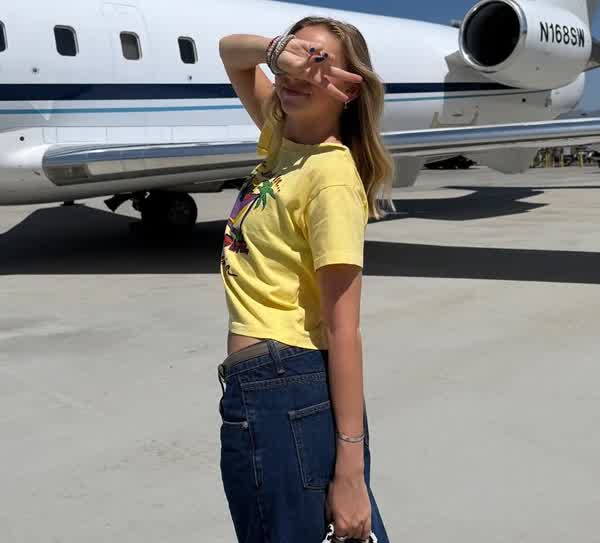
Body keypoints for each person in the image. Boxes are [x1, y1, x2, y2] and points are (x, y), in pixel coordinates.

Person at [217, 15, 395, 543]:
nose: (297, 71)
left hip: (284, 389)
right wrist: (277, 50)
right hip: (266, 387)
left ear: (348, 89)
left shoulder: (330, 178)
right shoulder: (282, 142)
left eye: (319, 63)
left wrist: (351, 470)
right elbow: (231, 53)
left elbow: (345, 329)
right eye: (294, 56)